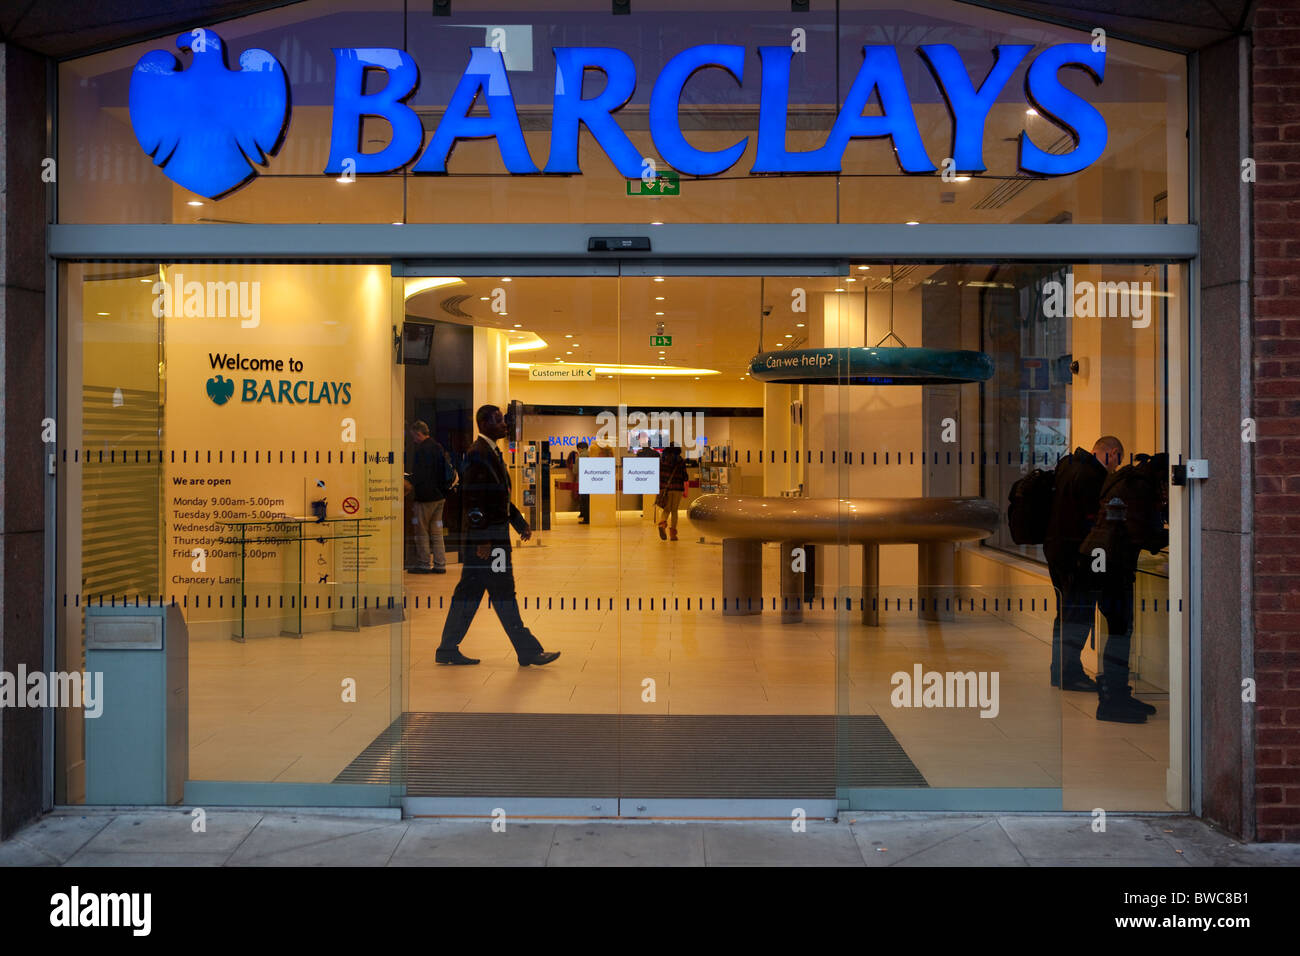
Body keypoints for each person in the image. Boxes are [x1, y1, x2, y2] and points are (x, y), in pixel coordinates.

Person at [435, 404, 560, 667]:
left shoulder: (490, 452)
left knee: (468, 595)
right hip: (489, 544)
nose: (505, 424)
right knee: (504, 593)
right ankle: (527, 650)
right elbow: (473, 501)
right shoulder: (477, 454)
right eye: (499, 420)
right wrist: (483, 539)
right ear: (484, 424)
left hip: (489, 540)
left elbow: (497, 497)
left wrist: (518, 521)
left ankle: (447, 649)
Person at [1077, 452, 1168, 723]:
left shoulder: (1128, 478)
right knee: (1119, 631)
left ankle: (1117, 695)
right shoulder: (1140, 487)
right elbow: (1139, 532)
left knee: (1118, 629)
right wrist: (1175, 534)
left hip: (1099, 557)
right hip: (1111, 562)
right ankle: (1112, 702)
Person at [1044, 436, 1123, 690]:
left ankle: (1061, 670)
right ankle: (1069, 673)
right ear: (1112, 453)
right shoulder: (1092, 475)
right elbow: (1094, 523)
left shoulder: (1068, 466)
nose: (1116, 468)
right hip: (1074, 555)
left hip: (1055, 549)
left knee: (1066, 613)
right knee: (1079, 613)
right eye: (1117, 461)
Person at [408, 421, 454, 574]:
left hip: (425, 497)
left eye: (414, 436)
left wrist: (410, 482)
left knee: (421, 531)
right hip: (439, 497)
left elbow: (419, 475)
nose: (413, 440)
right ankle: (440, 564)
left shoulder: (422, 450)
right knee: (437, 532)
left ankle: (423, 564)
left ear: (419, 433)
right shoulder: (438, 447)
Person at [656, 444, 687, 541]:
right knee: (674, 511)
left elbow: (658, 474)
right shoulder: (680, 461)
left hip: (665, 488)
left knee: (666, 509)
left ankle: (662, 524)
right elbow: (685, 476)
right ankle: (673, 535)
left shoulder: (662, 460)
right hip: (677, 488)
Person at [574, 440, 590, 524]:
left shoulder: (579, 457)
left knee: (584, 500)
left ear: (579, 448)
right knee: (588, 500)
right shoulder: (592, 454)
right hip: (591, 480)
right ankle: (588, 517)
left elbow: (575, 470)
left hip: (583, 480)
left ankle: (586, 519)